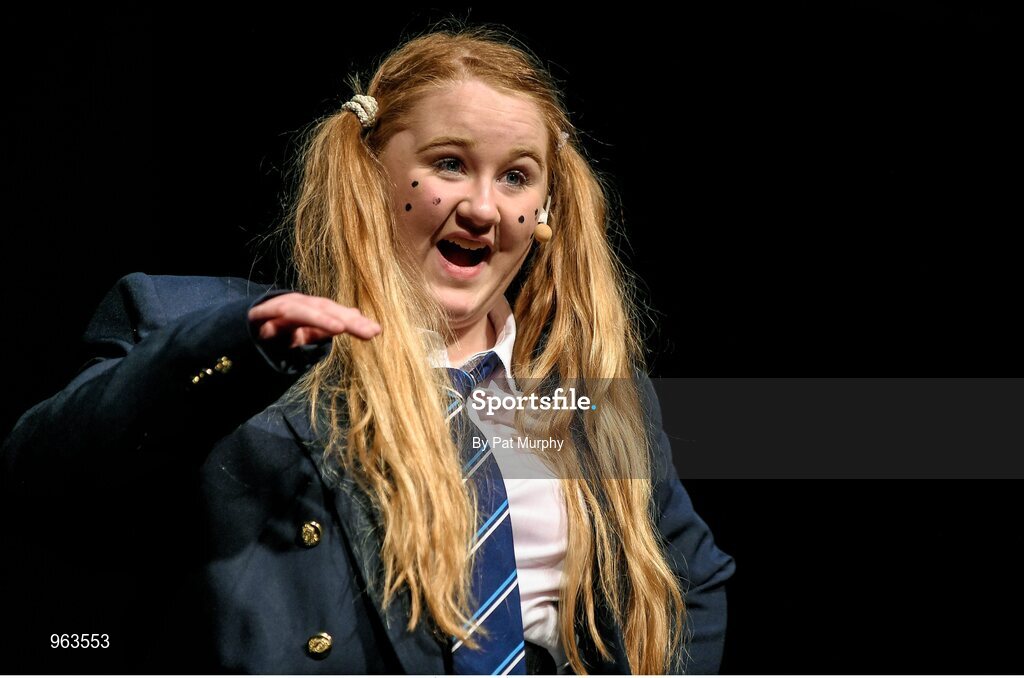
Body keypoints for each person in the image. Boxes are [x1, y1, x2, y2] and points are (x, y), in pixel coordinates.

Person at [1, 24, 735, 674]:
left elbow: (691, 582)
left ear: (542, 210)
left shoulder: (583, 397)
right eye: (450, 164)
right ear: (371, 171)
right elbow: (42, 474)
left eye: (516, 176)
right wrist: (241, 356)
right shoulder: (214, 333)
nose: (483, 208)